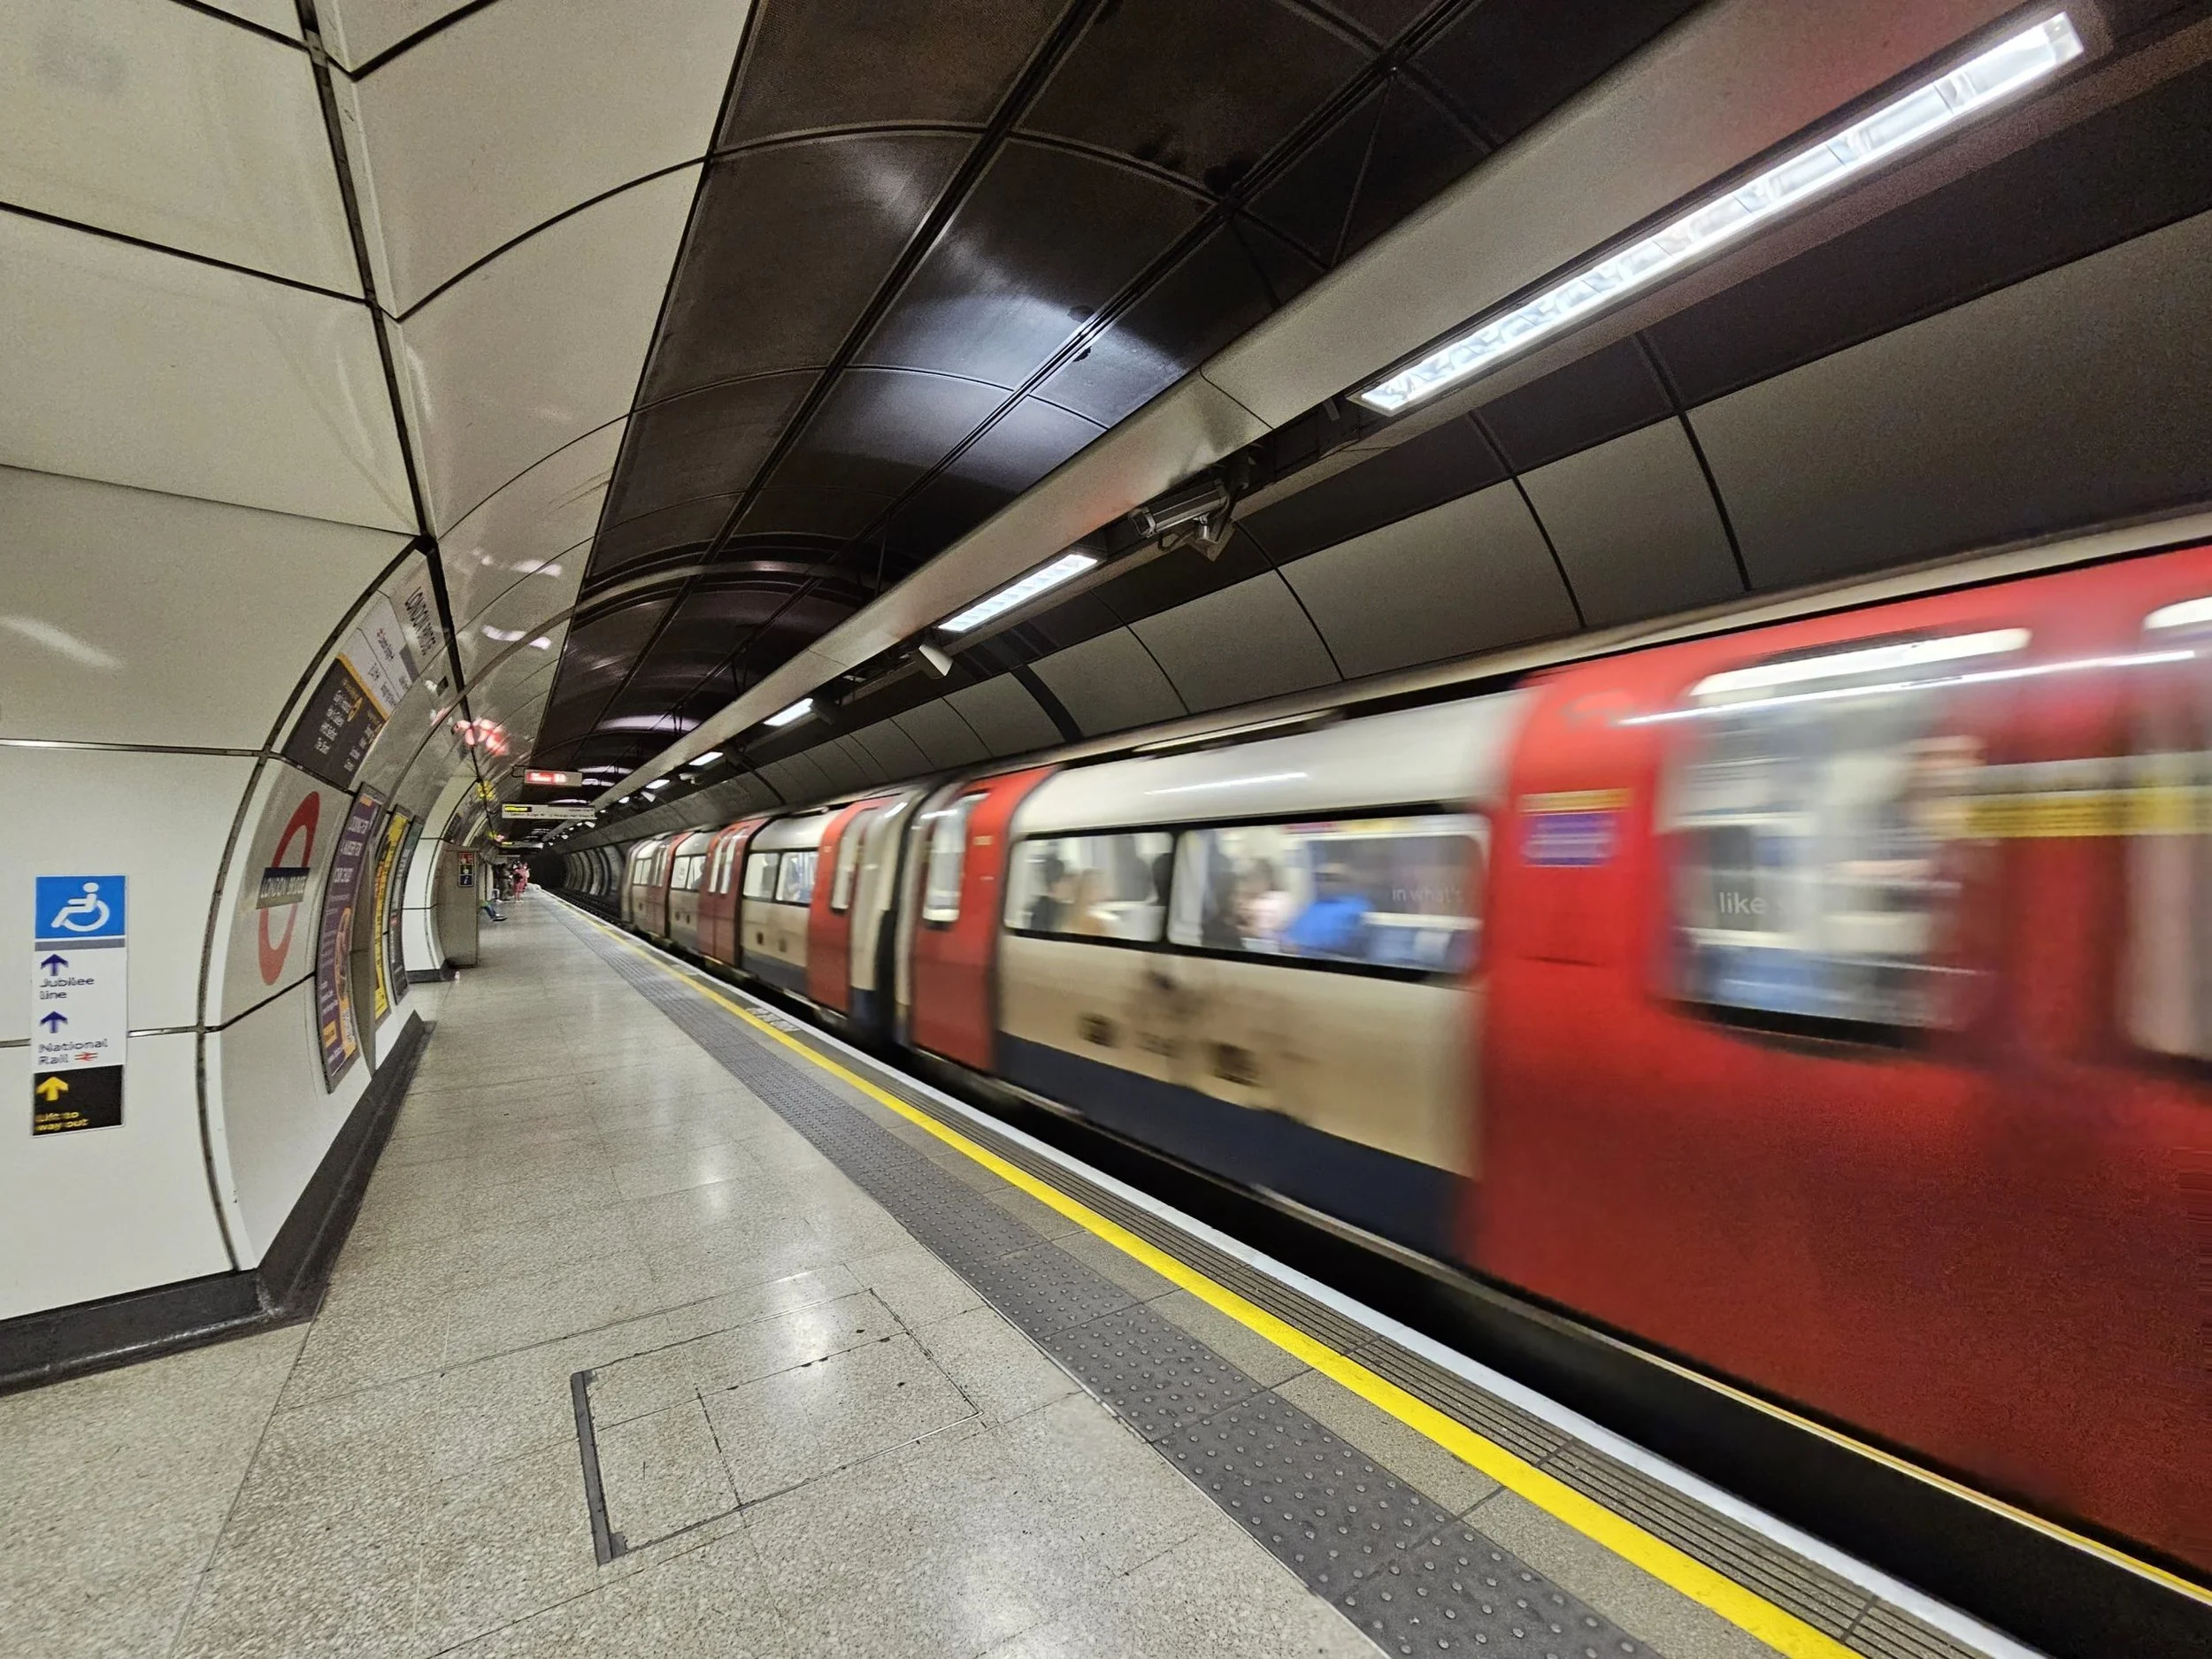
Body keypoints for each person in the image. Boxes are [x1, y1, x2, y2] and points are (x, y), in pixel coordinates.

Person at [1282, 860, 1368, 957]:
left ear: (1346, 882)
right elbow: (1292, 930)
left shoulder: (1356, 907)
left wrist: (1301, 946)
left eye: (1331, 878)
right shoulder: (1313, 906)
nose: (1324, 882)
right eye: (1319, 878)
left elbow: (1341, 941)